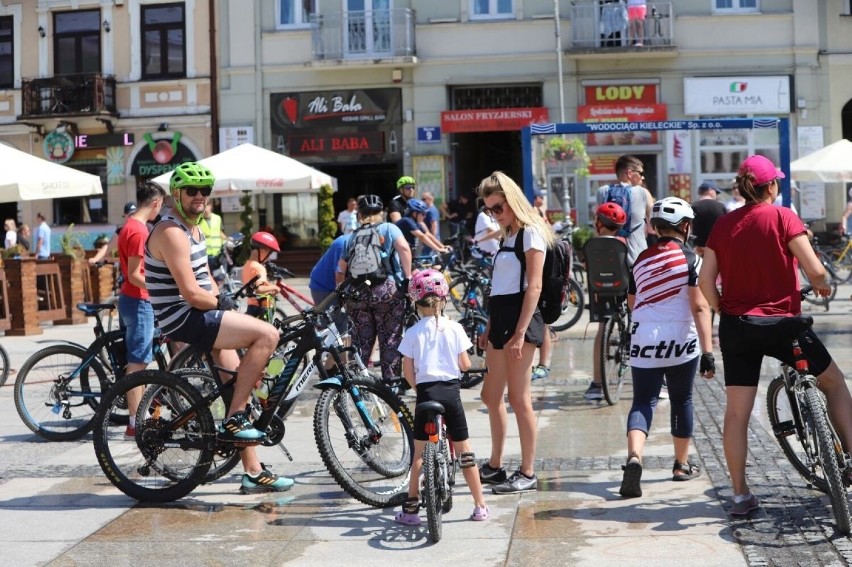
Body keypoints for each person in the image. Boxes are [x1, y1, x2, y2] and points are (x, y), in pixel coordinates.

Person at [698, 154, 852, 516]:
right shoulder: (783, 216)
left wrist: (724, 310)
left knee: (737, 413)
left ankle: (739, 495)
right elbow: (815, 271)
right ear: (772, 186)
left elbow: (705, 282)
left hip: (737, 326)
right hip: (783, 324)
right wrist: (823, 286)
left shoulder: (723, 225)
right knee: (834, 383)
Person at [145, 161, 293, 494]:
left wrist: (222, 296)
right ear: (177, 194)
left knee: (235, 386)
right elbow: (191, 292)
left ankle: (252, 471)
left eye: (205, 191)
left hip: (198, 312)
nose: (200, 197)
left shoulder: (194, 229)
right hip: (184, 316)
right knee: (268, 334)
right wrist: (222, 305)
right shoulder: (170, 230)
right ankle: (235, 419)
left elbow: (205, 278)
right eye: (192, 191)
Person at [618, 197, 715, 498]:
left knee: (642, 401)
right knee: (681, 398)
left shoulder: (641, 260)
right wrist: (708, 352)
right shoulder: (691, 260)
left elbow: (632, 303)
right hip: (681, 340)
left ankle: (634, 456)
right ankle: (681, 465)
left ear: (655, 227)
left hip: (644, 337)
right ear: (685, 227)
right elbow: (700, 307)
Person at [476, 171, 554, 494]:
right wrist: (489, 327)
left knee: (520, 399)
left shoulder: (532, 233)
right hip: (501, 316)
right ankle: (495, 465)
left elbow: (533, 286)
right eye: (489, 210)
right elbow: (499, 287)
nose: (494, 215)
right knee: (490, 396)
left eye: (498, 208)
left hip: (522, 318)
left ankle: (528, 471)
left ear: (512, 201)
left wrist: (520, 332)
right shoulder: (507, 236)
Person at [394, 269, 489, 525]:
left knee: (419, 456)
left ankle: (411, 511)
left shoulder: (412, 332)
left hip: (426, 394)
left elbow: (407, 370)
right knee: (464, 450)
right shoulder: (455, 327)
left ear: (416, 302)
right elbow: (466, 364)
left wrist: (418, 389)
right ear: (444, 299)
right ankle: (480, 506)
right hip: (451, 393)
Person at [338, 194, 412, 383]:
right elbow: (403, 248)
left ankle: (358, 385)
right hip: (386, 290)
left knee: (361, 342)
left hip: (358, 293)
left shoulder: (351, 236)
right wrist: (408, 276)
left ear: (359, 215)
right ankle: (391, 383)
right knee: (390, 339)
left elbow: (341, 268)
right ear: (381, 212)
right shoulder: (388, 228)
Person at [117, 182, 166, 438]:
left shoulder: (130, 226)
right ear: (156, 202)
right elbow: (135, 274)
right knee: (137, 363)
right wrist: (157, 288)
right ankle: (135, 422)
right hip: (139, 301)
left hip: (131, 299)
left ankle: (140, 416)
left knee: (139, 360)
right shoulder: (138, 230)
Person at [586, 202, 629, 401]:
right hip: (622, 291)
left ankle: (596, 383)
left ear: (598, 223)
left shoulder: (591, 245)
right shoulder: (623, 243)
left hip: (599, 293)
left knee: (602, 329)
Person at [596, 154, 651, 267]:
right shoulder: (643, 193)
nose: (643, 177)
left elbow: (597, 226)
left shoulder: (602, 191)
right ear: (629, 173)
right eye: (641, 173)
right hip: (638, 260)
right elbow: (653, 228)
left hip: (609, 258)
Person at [241, 232, 281, 319]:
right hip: (261, 309)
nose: (268, 258)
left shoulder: (247, 265)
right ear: (264, 250)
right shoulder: (259, 268)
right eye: (269, 254)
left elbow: (253, 286)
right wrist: (274, 288)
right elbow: (259, 289)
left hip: (251, 307)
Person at [690, 181, 727, 257]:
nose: (716, 194)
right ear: (710, 191)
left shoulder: (693, 207)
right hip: (717, 249)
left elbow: (689, 227)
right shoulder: (721, 206)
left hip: (698, 249)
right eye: (716, 192)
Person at [199, 202, 227, 270]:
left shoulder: (217, 218)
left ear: (210, 206)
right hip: (205, 255)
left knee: (220, 276)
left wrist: (227, 240)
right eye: (203, 206)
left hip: (218, 253)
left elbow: (220, 232)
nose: (204, 209)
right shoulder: (198, 220)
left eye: (206, 206)